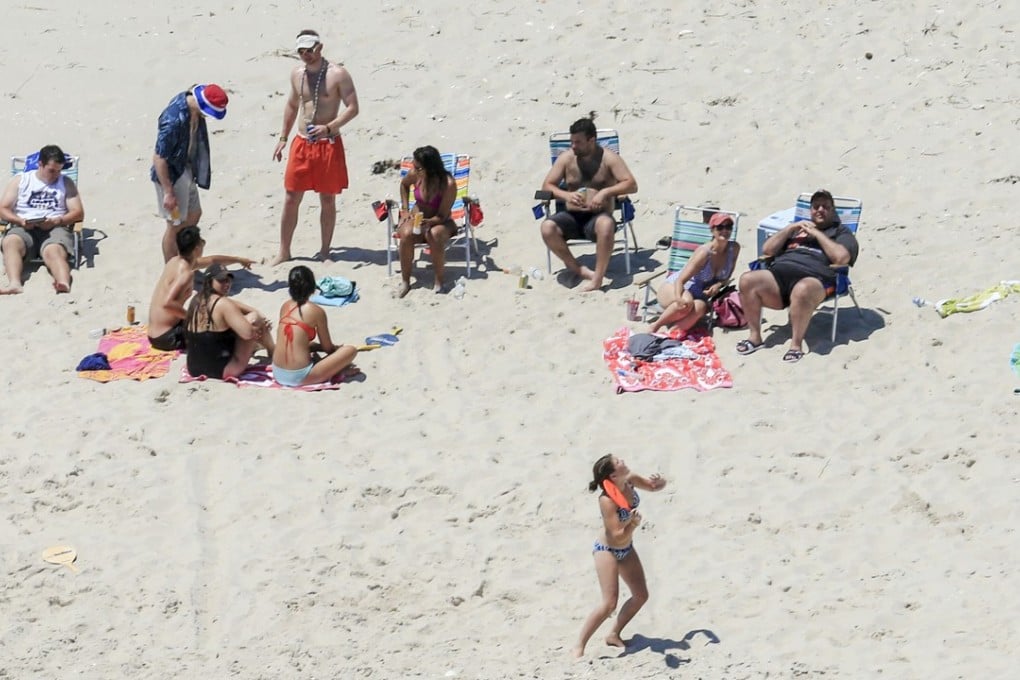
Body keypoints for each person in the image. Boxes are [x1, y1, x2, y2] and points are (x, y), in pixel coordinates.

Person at [735, 189, 859, 363]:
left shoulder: (841, 232)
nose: (820, 210)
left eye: (825, 207)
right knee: (747, 280)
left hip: (816, 281)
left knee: (802, 289)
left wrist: (817, 234)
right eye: (816, 207)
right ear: (811, 211)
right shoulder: (796, 230)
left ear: (833, 211)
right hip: (779, 276)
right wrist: (790, 228)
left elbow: (842, 257)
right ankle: (755, 337)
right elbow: (767, 250)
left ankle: (795, 345)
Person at [271, 30, 360, 265]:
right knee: (291, 196)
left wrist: (329, 127)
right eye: (301, 51)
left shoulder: (338, 74)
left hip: (327, 143)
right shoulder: (297, 74)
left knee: (327, 199)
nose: (305, 55)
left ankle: (325, 250)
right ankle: (284, 251)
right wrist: (282, 137)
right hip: (302, 142)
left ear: (320, 48)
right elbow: (292, 105)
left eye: (309, 50)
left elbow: (352, 108)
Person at [573, 454, 667, 659]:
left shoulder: (630, 480)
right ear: (613, 474)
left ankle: (614, 633)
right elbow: (616, 535)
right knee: (609, 604)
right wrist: (632, 524)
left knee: (641, 595)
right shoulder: (606, 500)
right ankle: (579, 645)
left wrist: (661, 483)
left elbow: (652, 487)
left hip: (627, 548)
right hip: (607, 550)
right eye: (618, 461)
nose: (623, 460)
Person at [540, 117, 637, 292]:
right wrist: (566, 195)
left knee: (606, 224)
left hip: (598, 218)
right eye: (571, 142)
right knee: (547, 227)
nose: (573, 146)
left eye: (577, 142)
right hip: (571, 217)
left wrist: (606, 192)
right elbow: (546, 186)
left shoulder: (609, 159)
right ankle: (578, 269)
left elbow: (631, 184)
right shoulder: (566, 159)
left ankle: (597, 279)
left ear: (591, 140)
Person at [151, 83, 229, 262]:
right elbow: (158, 158)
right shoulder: (173, 121)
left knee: (194, 214)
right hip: (171, 177)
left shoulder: (191, 104)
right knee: (174, 226)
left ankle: (182, 255)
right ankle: (171, 267)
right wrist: (168, 193)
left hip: (186, 169)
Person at [146, 226, 255, 352]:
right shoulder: (186, 273)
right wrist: (191, 317)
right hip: (168, 336)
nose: (203, 243)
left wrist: (238, 260)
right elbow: (167, 303)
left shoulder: (175, 261)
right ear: (197, 248)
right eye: (201, 241)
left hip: (156, 333)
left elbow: (212, 260)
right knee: (220, 328)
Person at [0, 144, 83, 294]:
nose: (56, 175)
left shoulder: (66, 183)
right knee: (10, 242)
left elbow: (78, 213)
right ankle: (14, 284)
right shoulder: (21, 180)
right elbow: (3, 209)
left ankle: (63, 282)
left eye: (59, 170)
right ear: (40, 164)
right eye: (51, 170)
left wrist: (58, 221)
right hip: (24, 226)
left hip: (55, 227)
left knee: (53, 251)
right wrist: (19, 221)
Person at [650, 212, 741, 333]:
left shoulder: (734, 248)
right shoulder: (704, 253)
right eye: (720, 227)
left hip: (698, 295)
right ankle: (655, 326)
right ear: (712, 230)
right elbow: (680, 281)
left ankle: (670, 334)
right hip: (674, 287)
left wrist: (718, 285)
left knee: (700, 308)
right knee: (686, 303)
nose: (725, 230)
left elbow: (727, 276)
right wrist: (678, 298)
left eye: (728, 227)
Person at [271, 265, 358, 387]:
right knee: (350, 351)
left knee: (305, 344)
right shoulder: (317, 311)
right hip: (299, 377)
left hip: (277, 372)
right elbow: (328, 348)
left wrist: (318, 347)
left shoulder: (285, 306)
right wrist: (337, 351)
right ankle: (336, 372)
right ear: (312, 287)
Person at [184, 264, 275, 380]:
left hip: (194, 368)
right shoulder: (223, 304)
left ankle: (260, 346)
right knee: (254, 319)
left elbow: (234, 305)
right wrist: (259, 327)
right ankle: (272, 350)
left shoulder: (197, 300)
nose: (227, 284)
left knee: (243, 322)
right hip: (222, 370)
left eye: (228, 280)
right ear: (209, 281)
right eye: (221, 280)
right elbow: (248, 334)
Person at [394, 145, 458, 297]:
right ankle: (405, 281)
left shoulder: (448, 184)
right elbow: (404, 185)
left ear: (429, 168)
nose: (414, 169)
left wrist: (429, 222)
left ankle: (439, 281)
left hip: (441, 222)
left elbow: (442, 215)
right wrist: (404, 209)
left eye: (418, 167)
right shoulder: (416, 175)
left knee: (434, 235)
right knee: (406, 234)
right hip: (418, 219)